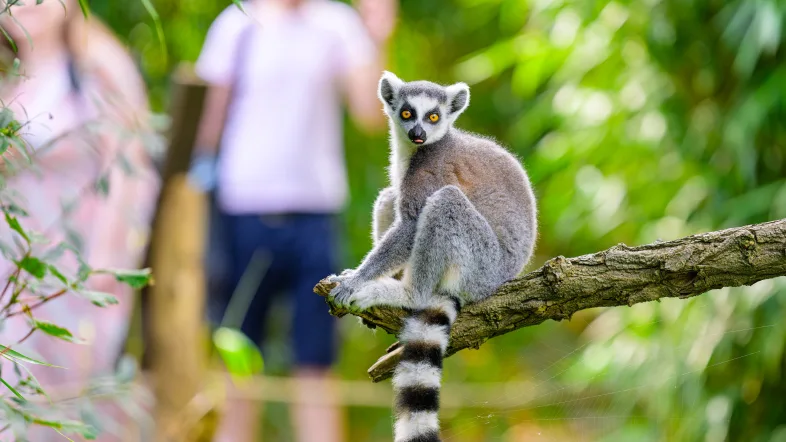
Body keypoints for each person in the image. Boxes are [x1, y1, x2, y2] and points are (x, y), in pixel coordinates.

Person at [189, 0, 397, 440]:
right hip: (241, 214)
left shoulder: (336, 24)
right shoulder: (236, 24)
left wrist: (377, 34)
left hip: (314, 217)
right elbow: (208, 124)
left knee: (316, 367)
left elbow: (369, 115)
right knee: (237, 364)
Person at [0, 2, 159, 440]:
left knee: (71, 396)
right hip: (13, 271)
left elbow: (131, 167)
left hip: (74, 270)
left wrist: (106, 266)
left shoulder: (97, 65)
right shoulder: (12, 74)